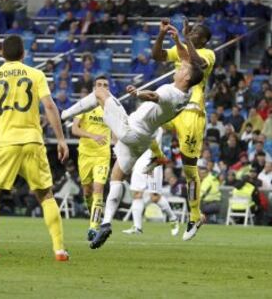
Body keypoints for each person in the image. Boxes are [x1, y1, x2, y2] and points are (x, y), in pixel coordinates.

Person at [62, 27, 203, 249]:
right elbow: (189, 62)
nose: (179, 67)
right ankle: (106, 223)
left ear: (185, 76)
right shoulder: (186, 94)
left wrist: (138, 94)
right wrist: (175, 38)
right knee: (116, 176)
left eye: (182, 68)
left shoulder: (169, 93)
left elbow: (154, 95)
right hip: (143, 140)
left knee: (100, 92)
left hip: (130, 129)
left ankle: (64, 115)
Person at [0, 34, 69, 261]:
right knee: (45, 194)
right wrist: (61, 140)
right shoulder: (36, 74)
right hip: (33, 140)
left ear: (1, 52)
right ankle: (59, 249)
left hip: (5, 142)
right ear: (24, 54)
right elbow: (50, 107)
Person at [152, 19, 215, 241]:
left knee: (189, 170)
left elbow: (198, 65)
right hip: (173, 106)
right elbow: (158, 56)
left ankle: (195, 215)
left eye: (197, 31)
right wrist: (161, 35)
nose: (193, 31)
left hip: (192, 113)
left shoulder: (208, 53)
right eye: (192, 29)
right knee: (147, 119)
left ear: (203, 39)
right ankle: (157, 156)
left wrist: (184, 39)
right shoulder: (181, 49)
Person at [72, 78, 112, 241]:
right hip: (85, 154)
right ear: (94, 88)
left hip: (102, 155)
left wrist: (116, 145)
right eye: (99, 85)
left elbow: (115, 128)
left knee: (98, 189)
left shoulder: (111, 107)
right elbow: (75, 129)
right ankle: (94, 216)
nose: (102, 88)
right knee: (87, 191)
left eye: (105, 85)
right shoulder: (85, 105)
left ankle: (94, 227)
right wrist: (92, 136)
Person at [122, 128, 179, 236]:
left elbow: (170, 129)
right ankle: (137, 227)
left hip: (153, 161)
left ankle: (173, 219)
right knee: (137, 194)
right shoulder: (136, 120)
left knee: (154, 196)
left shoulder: (158, 120)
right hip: (139, 161)